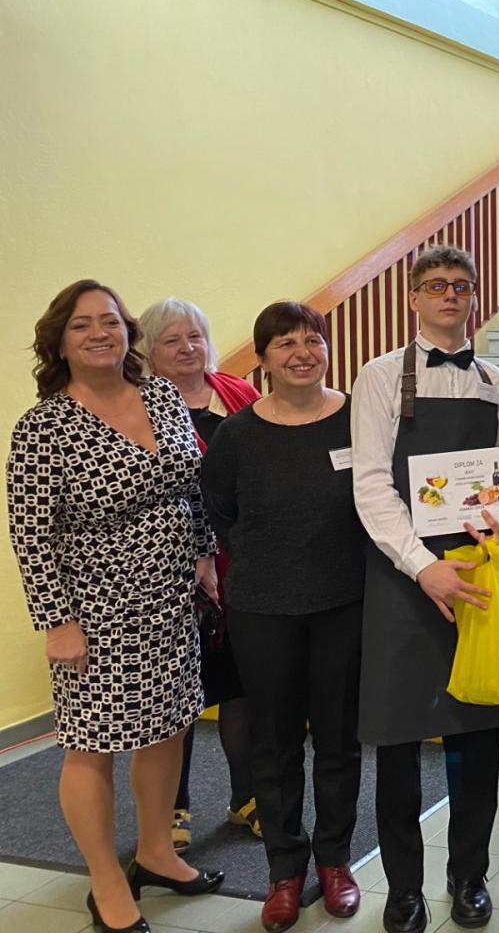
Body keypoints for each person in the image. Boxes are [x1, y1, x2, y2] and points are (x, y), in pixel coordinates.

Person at [7, 280, 223, 933]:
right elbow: (31, 533)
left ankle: (156, 852)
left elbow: (192, 485)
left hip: (171, 598)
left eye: (110, 321)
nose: (99, 333)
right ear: (59, 343)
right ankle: (106, 883)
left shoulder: (160, 394)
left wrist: (204, 553)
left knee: (169, 726)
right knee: (91, 743)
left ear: (129, 332)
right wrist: (57, 622)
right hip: (96, 610)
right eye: (82, 325)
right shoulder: (44, 426)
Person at [352, 245, 499, 933]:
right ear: (414, 298)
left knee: (478, 738)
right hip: (403, 578)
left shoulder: (496, 382)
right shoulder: (378, 376)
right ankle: (403, 889)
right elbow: (371, 483)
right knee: (398, 743)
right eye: (435, 285)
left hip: (476, 576)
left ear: (474, 296)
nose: (449, 295)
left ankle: (469, 876)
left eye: (461, 285)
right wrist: (423, 565)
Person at [201, 302, 366, 932]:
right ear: (264, 358)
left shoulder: (358, 417)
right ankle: (284, 870)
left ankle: (335, 861)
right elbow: (219, 510)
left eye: (312, 340)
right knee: (273, 744)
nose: (302, 353)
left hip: (345, 602)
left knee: (339, 739)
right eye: (285, 343)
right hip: (263, 608)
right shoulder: (238, 435)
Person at [138, 298, 259, 853]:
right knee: (177, 694)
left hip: (244, 563)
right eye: (172, 340)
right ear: (149, 350)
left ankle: (247, 797)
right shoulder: (138, 406)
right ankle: (173, 806)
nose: (188, 347)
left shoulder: (238, 392)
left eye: (195, 336)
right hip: (172, 569)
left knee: (240, 686)